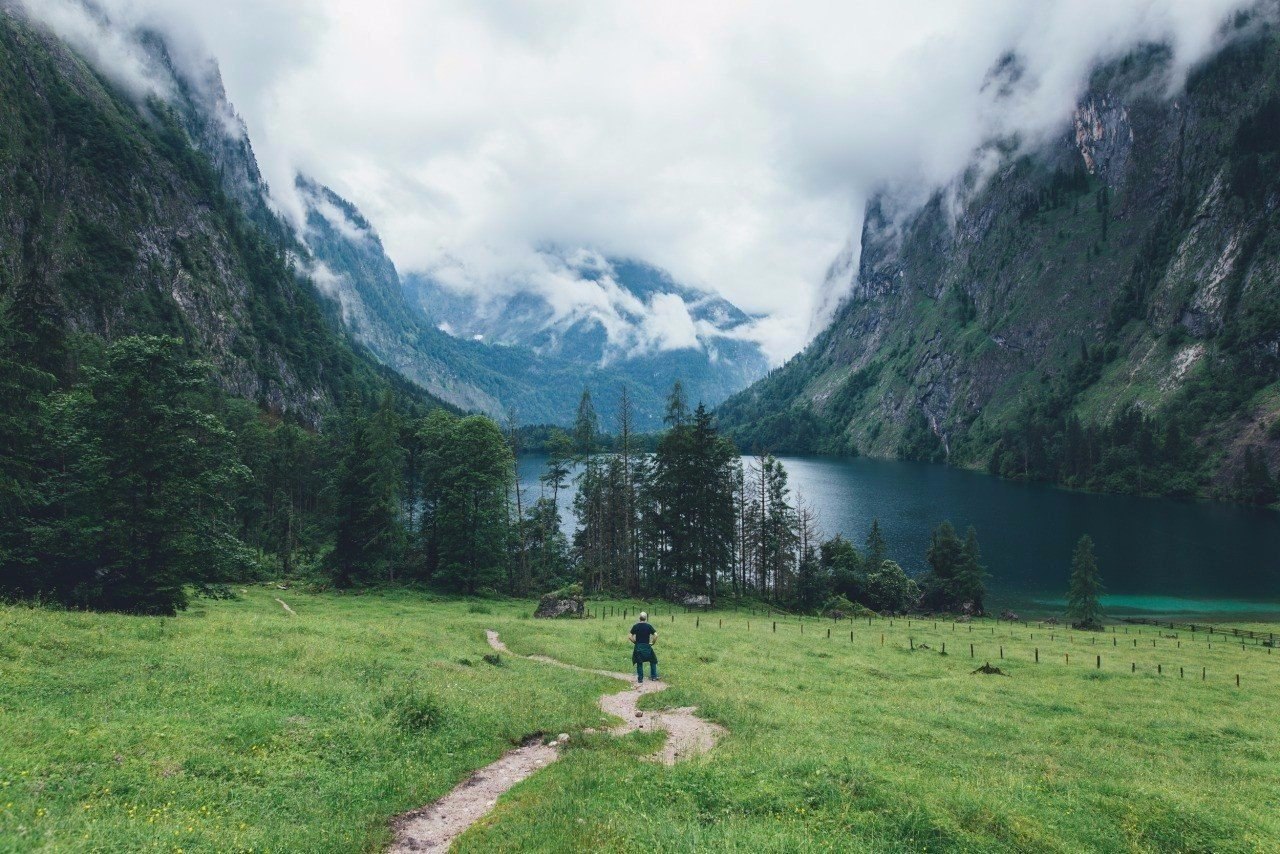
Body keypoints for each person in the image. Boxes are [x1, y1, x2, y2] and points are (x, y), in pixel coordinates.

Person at [629, 612, 659, 684]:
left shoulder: (635, 626)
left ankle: (640, 679)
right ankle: (654, 677)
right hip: (647, 647)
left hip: (638, 647)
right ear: (646, 618)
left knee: (639, 662)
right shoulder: (648, 626)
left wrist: (635, 642)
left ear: (639, 617)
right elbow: (656, 635)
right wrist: (653, 643)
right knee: (653, 660)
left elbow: (630, 636)